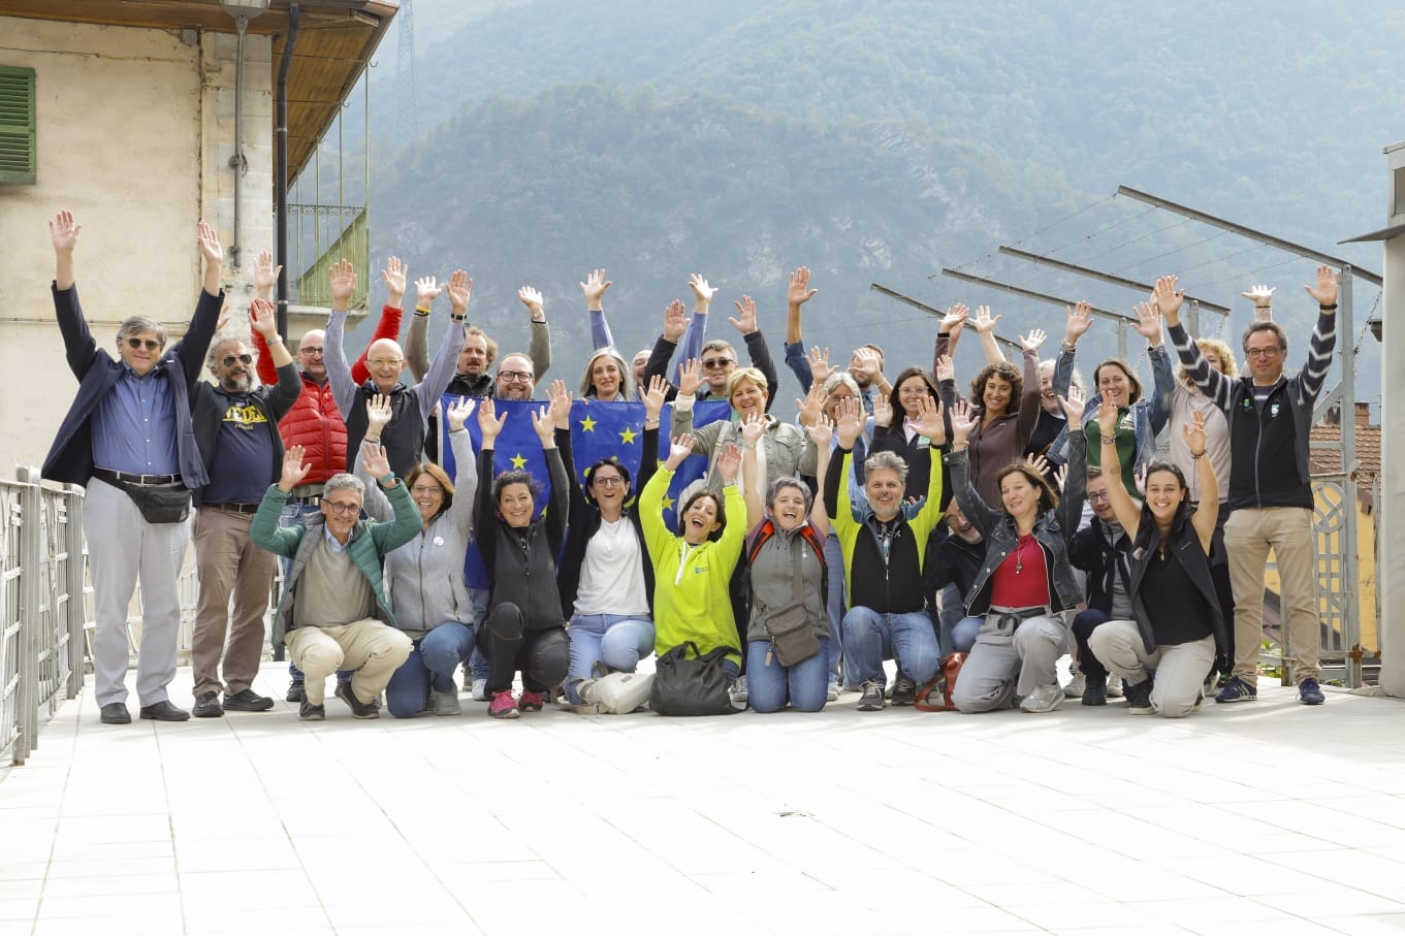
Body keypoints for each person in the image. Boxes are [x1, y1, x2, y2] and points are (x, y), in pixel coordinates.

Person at [43, 211, 224, 725]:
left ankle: (157, 693)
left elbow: (205, 323)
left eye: (152, 344)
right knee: (112, 603)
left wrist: (213, 266)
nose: (143, 350)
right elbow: (70, 323)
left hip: (168, 498)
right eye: (135, 342)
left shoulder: (177, 376)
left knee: (165, 605)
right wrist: (65, 255)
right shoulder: (98, 370)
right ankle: (111, 697)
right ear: (120, 346)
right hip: (112, 495)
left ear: (161, 351)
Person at [1155, 269, 1338, 705]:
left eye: (1269, 350)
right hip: (1241, 513)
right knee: (1245, 602)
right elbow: (1194, 363)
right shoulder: (1230, 392)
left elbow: (1321, 356)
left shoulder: (1298, 391)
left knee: (1299, 599)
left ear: (1280, 354)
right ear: (1246, 355)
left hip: (1290, 507)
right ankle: (1245, 678)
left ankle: (1309, 676)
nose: (1261, 356)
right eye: (1254, 350)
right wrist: (1172, 320)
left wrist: (1327, 309)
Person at [188, 297, 302, 718]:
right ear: (215, 369)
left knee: (253, 608)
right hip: (219, 515)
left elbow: (292, 384)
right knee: (214, 604)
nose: (239, 364)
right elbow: (180, 372)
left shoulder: (263, 403)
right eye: (229, 360)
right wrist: (204, 333)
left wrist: (271, 336)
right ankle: (205, 689)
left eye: (244, 358)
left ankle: (239, 686)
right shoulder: (203, 397)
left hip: (263, 517)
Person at [249, 443, 418, 719]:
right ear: (325, 506)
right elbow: (261, 536)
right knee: (324, 653)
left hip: (356, 632)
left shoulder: (370, 535)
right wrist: (282, 487)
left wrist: (388, 480)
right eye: (338, 505)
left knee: (399, 644)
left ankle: (358, 694)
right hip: (309, 633)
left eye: (353, 507)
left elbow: (410, 525)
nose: (346, 513)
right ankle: (312, 701)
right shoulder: (304, 535)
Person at [945, 398, 1088, 714]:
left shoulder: (1057, 524)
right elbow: (965, 495)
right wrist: (958, 442)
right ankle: (1016, 684)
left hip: (1043, 624)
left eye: (1018, 487)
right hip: (997, 627)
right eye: (1006, 490)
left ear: (1037, 490)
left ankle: (1044, 685)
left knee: (1033, 633)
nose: (1011, 495)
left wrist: (1076, 428)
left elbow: (1076, 485)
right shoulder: (996, 526)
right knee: (966, 701)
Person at [1085, 403, 1224, 717]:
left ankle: (1190, 686)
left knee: (1171, 708)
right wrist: (1107, 436)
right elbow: (1111, 479)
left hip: (1190, 643)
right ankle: (1140, 684)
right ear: (1145, 494)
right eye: (1154, 490)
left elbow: (1212, 498)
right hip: (1151, 641)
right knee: (1103, 637)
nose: (1161, 496)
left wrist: (1199, 454)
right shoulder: (1138, 528)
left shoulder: (1196, 531)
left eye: (1169, 490)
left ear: (1181, 494)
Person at [355, 395, 479, 718]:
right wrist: (372, 432)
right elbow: (364, 486)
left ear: (444, 495)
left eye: (434, 489)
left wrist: (457, 431)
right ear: (408, 491)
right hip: (406, 634)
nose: (425, 496)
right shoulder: (391, 519)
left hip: (452, 629)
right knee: (404, 707)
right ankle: (421, 681)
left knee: (438, 649)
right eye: (419, 488)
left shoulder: (455, 522)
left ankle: (442, 683)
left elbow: (468, 480)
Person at [828, 396, 946, 711]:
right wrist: (844, 445)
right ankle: (872, 683)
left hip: (911, 616)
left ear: (903, 489)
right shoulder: (850, 523)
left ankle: (907, 677)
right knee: (856, 618)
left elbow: (940, 491)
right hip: (869, 619)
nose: (884, 490)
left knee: (924, 666)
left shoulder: (918, 520)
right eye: (876, 484)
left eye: (891, 484)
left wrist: (936, 445)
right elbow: (832, 496)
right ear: (866, 489)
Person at [556, 378, 666, 705]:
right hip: (586, 622)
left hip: (633, 622)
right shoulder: (583, 521)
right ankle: (619, 689)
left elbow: (649, 472)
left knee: (617, 648)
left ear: (626, 486)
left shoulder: (641, 521)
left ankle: (617, 681)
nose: (608, 486)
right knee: (578, 695)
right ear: (590, 490)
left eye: (615, 480)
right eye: (600, 481)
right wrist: (561, 424)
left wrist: (653, 419)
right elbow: (564, 470)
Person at [473, 397, 572, 719]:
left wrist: (548, 440)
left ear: (533, 501)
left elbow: (562, 493)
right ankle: (500, 692)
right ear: (498, 507)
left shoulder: (549, 531)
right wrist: (488, 442)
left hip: (544, 630)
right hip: (501, 634)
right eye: (508, 500)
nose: (517, 505)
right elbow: (481, 494)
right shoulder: (491, 535)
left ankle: (533, 687)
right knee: (504, 612)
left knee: (556, 662)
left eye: (523, 498)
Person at [327, 261, 465, 475]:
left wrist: (458, 315)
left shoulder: (419, 399)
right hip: (362, 502)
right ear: (367, 366)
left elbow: (446, 363)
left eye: (392, 362)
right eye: (378, 361)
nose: (385, 368)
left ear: (403, 366)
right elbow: (333, 356)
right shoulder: (351, 398)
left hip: (406, 500)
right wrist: (340, 303)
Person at [740, 412, 835, 713]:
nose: (791, 505)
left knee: (809, 704)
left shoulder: (814, 534)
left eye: (798, 501)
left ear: (806, 509)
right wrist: (750, 444)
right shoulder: (759, 533)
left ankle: (796, 681)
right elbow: (751, 486)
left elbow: (826, 489)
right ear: (770, 508)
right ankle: (777, 683)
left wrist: (823, 448)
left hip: (808, 632)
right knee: (765, 705)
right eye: (783, 500)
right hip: (764, 634)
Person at [640, 435, 746, 679]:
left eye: (709, 512)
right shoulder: (664, 547)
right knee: (670, 706)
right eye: (696, 507)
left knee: (704, 706)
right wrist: (670, 465)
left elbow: (738, 527)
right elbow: (647, 505)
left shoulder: (718, 555)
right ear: (685, 514)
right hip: (673, 657)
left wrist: (729, 481)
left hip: (718, 656)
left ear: (716, 525)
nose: (701, 513)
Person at [1060, 299, 1173, 499]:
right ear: (1097, 389)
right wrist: (1070, 341)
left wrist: (1156, 341)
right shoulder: (1086, 415)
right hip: (1091, 504)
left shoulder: (1143, 417)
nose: (1111, 385)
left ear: (1131, 385)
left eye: (1118, 379)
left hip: (1130, 502)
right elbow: (1060, 391)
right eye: (1105, 381)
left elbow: (1165, 392)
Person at [671, 361, 817, 495]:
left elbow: (811, 467)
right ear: (733, 403)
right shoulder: (720, 431)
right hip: (726, 521)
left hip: (771, 522)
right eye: (738, 394)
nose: (745, 397)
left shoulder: (789, 433)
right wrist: (685, 397)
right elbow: (681, 441)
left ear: (765, 395)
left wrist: (812, 426)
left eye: (751, 391)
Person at [643, 275, 781, 411]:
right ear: (702, 370)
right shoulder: (689, 401)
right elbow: (653, 382)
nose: (716, 367)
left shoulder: (749, 403)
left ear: (736, 368)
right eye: (709, 364)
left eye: (723, 362)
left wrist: (752, 334)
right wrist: (668, 339)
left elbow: (769, 382)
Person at [1067, 465, 1136, 706]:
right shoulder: (1089, 537)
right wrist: (1070, 502)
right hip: (1104, 619)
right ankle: (1095, 678)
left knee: (1137, 697)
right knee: (1085, 619)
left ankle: (1130, 677)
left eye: (1105, 493)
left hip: (1140, 623)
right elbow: (1065, 552)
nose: (1100, 501)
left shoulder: (1143, 529)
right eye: (1093, 496)